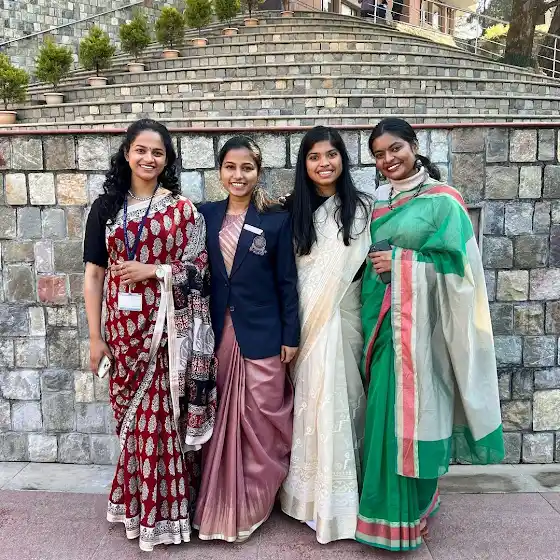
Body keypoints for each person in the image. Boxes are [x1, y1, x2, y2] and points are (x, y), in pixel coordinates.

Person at [357, 117, 505, 551]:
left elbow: (462, 271)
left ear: (414, 145)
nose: (388, 160)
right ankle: (386, 513)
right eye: (379, 155)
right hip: (381, 328)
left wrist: (402, 262)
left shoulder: (444, 201)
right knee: (384, 418)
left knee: (418, 416)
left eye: (395, 149)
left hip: (423, 334)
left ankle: (413, 512)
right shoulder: (377, 202)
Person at [83, 119, 217, 552]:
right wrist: (95, 337)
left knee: (161, 421)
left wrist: (155, 271)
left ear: (167, 160)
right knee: (134, 421)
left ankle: (165, 515)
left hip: (166, 334)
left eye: (158, 152)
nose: (148, 158)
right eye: (141, 150)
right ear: (126, 154)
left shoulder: (183, 210)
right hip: (123, 333)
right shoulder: (105, 208)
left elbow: (200, 270)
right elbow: (94, 276)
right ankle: (138, 506)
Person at [193, 136, 300, 543]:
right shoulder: (204, 215)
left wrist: (291, 334)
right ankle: (219, 505)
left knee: (263, 417)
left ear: (258, 172)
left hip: (263, 333)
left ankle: (254, 503)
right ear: (220, 171)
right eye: (231, 167)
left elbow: (287, 283)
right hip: (217, 334)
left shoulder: (275, 219)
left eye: (247, 168)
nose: (238, 175)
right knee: (221, 417)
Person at [279, 126, 372, 544]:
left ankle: (343, 499)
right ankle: (309, 499)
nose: (324, 163)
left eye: (331, 155)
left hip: (345, 320)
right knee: (311, 405)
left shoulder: (363, 209)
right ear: (304, 164)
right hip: (306, 323)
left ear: (342, 159)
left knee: (343, 402)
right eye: (314, 156)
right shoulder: (290, 211)